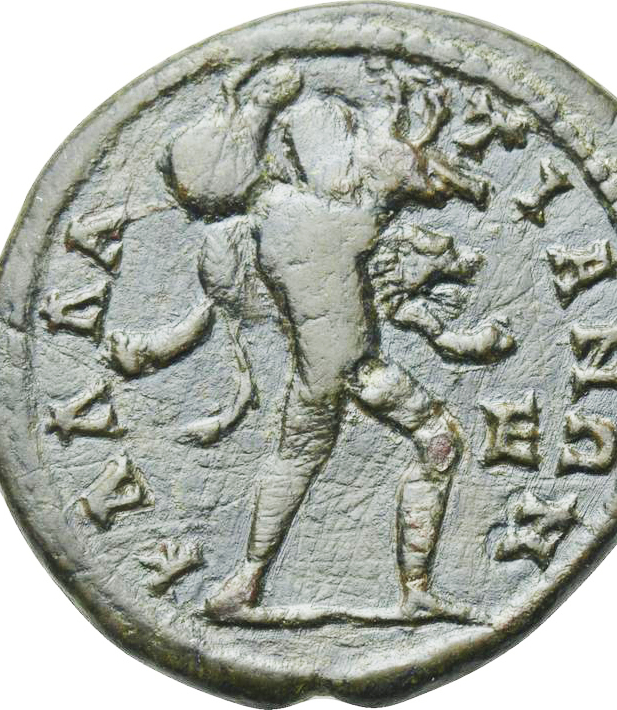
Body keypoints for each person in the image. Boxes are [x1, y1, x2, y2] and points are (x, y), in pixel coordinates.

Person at [106, 58, 513, 618]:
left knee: (298, 462)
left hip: (324, 370)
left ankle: (244, 585)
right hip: (349, 368)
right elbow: (386, 194)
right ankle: (413, 589)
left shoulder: (268, 223)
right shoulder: (303, 215)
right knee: (435, 442)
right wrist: (415, 143)